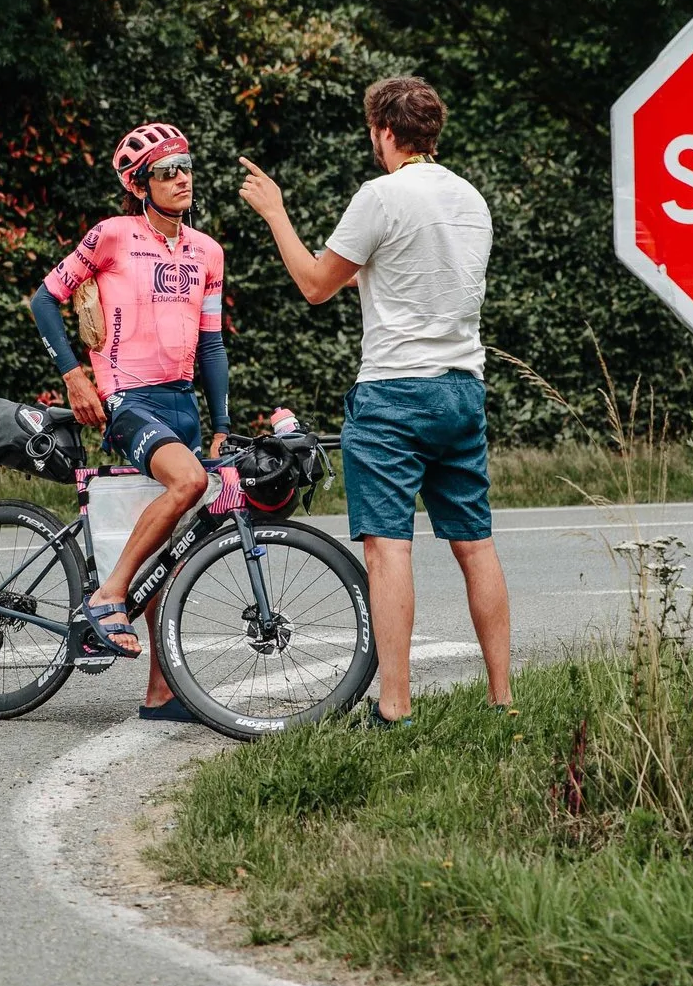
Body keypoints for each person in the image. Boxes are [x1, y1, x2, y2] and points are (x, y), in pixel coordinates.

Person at [236, 76, 511, 726]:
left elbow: (314, 284)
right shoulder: (470, 200)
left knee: (389, 549)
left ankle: (394, 708)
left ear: (384, 131)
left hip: (393, 393)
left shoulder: (380, 196)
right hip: (462, 388)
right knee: (475, 544)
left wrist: (275, 210)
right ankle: (503, 700)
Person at [29, 121, 228, 719]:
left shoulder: (207, 251)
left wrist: (220, 422)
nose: (181, 177)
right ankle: (108, 594)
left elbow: (213, 346)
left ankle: (161, 693)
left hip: (181, 402)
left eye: (187, 166)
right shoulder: (112, 236)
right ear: (140, 184)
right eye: (167, 171)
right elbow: (44, 299)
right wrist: (73, 374)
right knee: (189, 484)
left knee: (174, 546)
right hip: (127, 400)